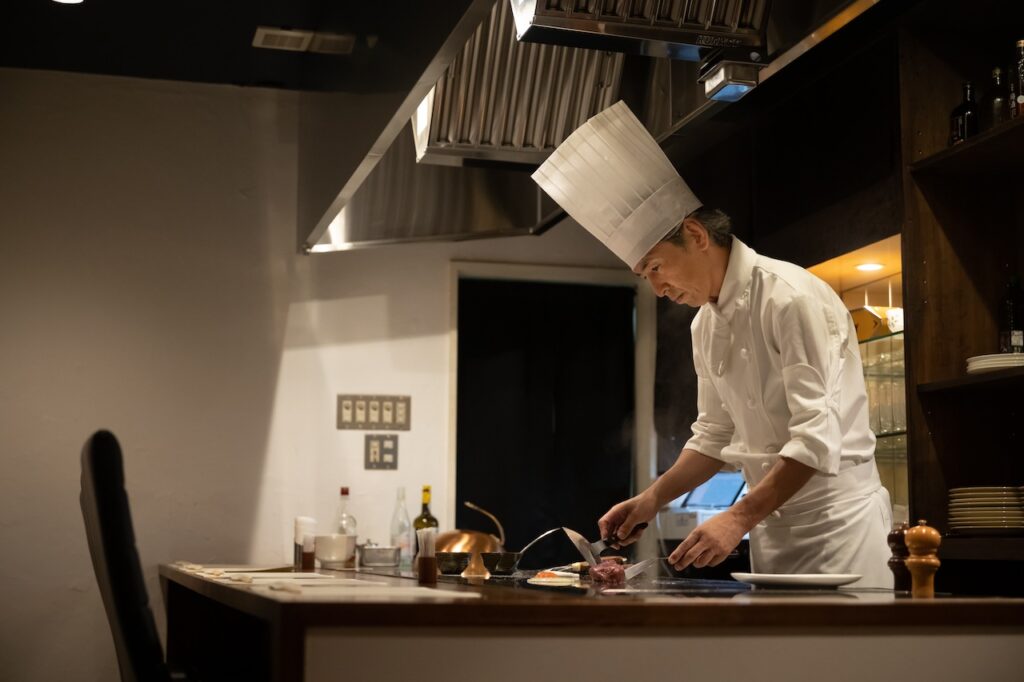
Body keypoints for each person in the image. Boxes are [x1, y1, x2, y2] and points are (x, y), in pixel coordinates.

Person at [532, 101, 892, 588]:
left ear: (696, 235)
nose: (657, 290)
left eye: (655, 268)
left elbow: (816, 438)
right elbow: (714, 436)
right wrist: (652, 499)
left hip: (839, 528)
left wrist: (738, 518)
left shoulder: (790, 298)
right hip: (771, 532)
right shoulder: (706, 323)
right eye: (644, 277)